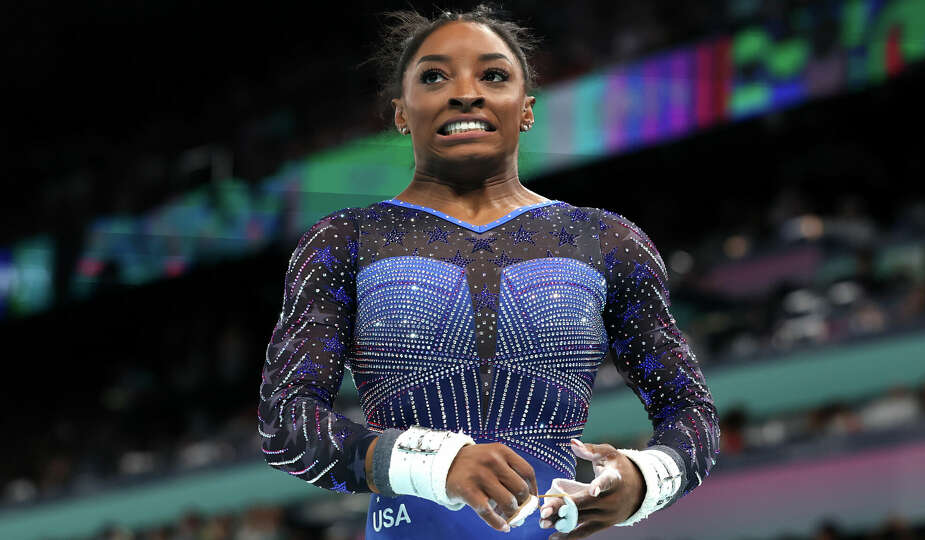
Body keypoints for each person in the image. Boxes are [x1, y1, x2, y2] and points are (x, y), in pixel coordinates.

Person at [257, 5, 720, 539]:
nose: (466, 92)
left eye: (493, 75)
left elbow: (691, 413)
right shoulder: (345, 240)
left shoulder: (607, 242)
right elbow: (286, 420)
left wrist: (644, 479)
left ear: (526, 109)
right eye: (434, 76)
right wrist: (435, 463)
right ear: (400, 112)